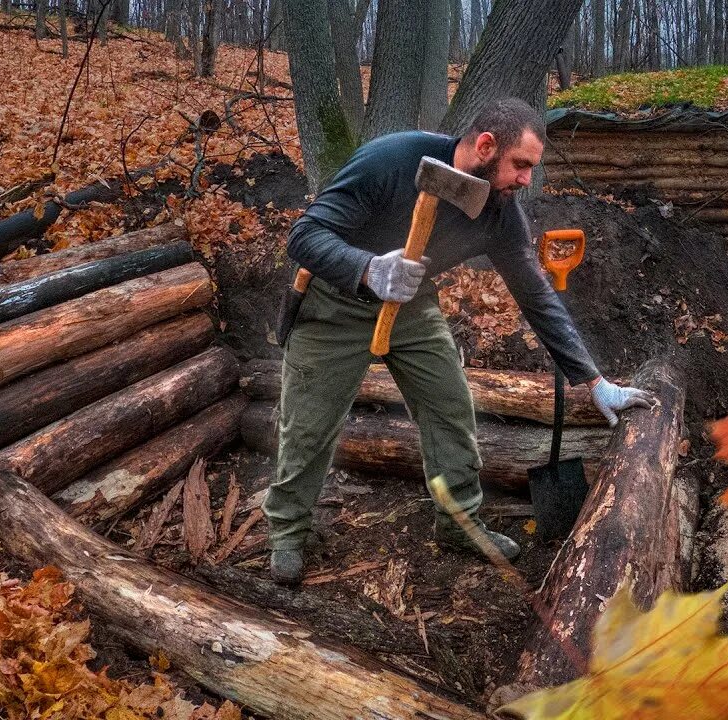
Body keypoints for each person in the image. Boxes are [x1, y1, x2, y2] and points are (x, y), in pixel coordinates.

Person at [265, 96, 654, 585]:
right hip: (334, 306)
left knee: (451, 411)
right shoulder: (391, 159)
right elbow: (304, 235)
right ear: (486, 146)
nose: (526, 180)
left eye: (532, 168)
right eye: (521, 165)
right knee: (307, 427)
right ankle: (288, 530)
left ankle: (459, 523)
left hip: (412, 308)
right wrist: (366, 269)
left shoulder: (499, 211)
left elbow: (536, 295)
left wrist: (593, 380)